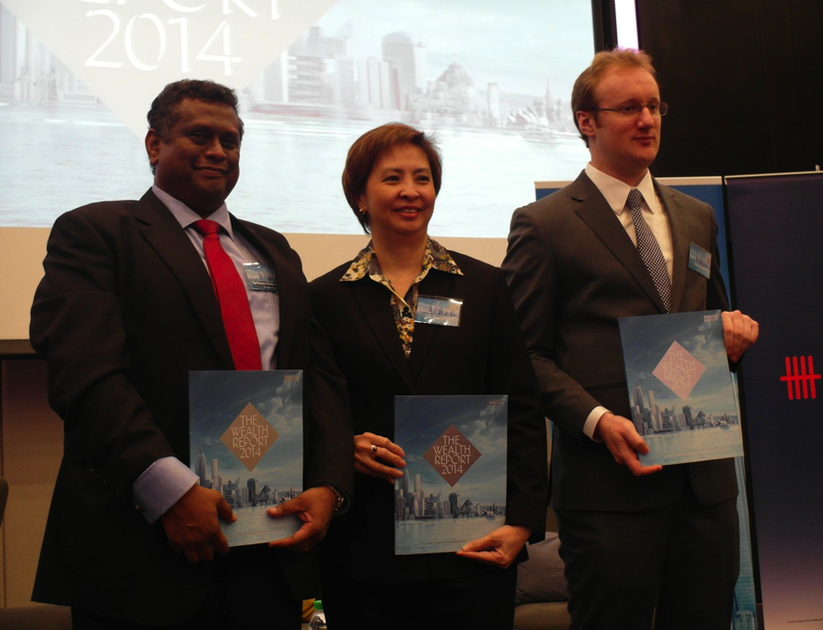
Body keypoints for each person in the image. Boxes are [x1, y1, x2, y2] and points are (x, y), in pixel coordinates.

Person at [29, 79, 354, 629]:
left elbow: (317, 377)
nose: (218, 152)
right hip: (144, 546)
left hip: (272, 546)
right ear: (154, 144)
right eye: (199, 135)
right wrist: (169, 492)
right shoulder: (96, 233)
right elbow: (86, 376)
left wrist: (330, 484)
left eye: (231, 141)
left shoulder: (272, 248)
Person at [501, 49, 760, 630]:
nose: (647, 119)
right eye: (628, 108)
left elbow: (705, 324)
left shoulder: (697, 217)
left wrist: (731, 335)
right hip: (608, 489)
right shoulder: (544, 224)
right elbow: (525, 357)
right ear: (586, 122)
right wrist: (596, 419)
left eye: (654, 106)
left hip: (704, 486)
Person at [309, 123, 548, 630]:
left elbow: (522, 406)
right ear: (360, 196)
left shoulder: (485, 285)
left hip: (474, 538)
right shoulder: (323, 298)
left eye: (422, 178)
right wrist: (341, 448)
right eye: (392, 178)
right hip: (365, 546)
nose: (410, 191)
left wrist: (523, 521)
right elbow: (312, 406)